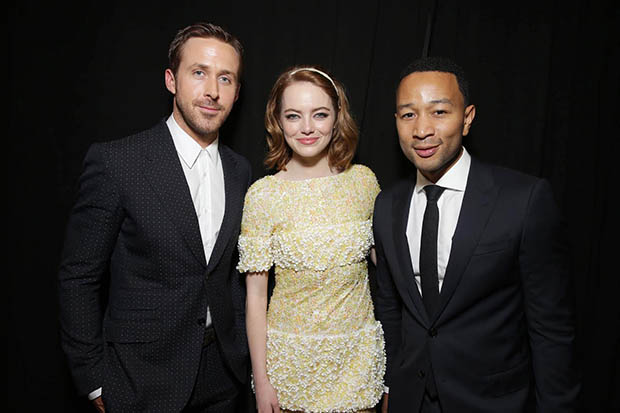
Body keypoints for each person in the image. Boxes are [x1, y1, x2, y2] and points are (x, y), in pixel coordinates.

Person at [58, 22, 252, 412]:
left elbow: (228, 274)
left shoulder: (241, 171)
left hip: (224, 376)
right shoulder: (118, 162)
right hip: (139, 379)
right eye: (199, 73)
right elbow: (78, 276)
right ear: (171, 80)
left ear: (236, 91)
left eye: (225, 78)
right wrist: (94, 380)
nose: (213, 91)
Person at [373, 56, 580, 412]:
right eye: (408, 115)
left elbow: (551, 331)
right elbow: (391, 311)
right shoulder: (387, 205)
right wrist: (391, 386)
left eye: (439, 112)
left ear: (467, 118)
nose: (422, 129)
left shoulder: (524, 200)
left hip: (492, 401)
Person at [238, 66, 385, 413]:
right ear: (277, 121)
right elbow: (255, 300)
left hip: (356, 365)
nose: (307, 128)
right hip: (289, 369)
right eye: (293, 116)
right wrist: (262, 383)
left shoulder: (363, 183)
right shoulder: (263, 196)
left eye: (320, 114)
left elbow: (394, 273)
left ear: (337, 118)